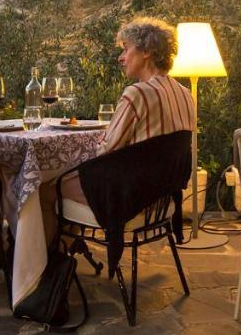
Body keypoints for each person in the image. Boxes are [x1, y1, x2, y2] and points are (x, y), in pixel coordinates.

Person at [42, 18, 196, 240]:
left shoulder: (137, 94)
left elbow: (106, 151)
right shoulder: (185, 94)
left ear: (147, 51)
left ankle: (49, 268)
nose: (121, 58)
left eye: (126, 49)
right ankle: (67, 254)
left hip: (133, 198)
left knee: (43, 191)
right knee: (74, 180)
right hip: (162, 197)